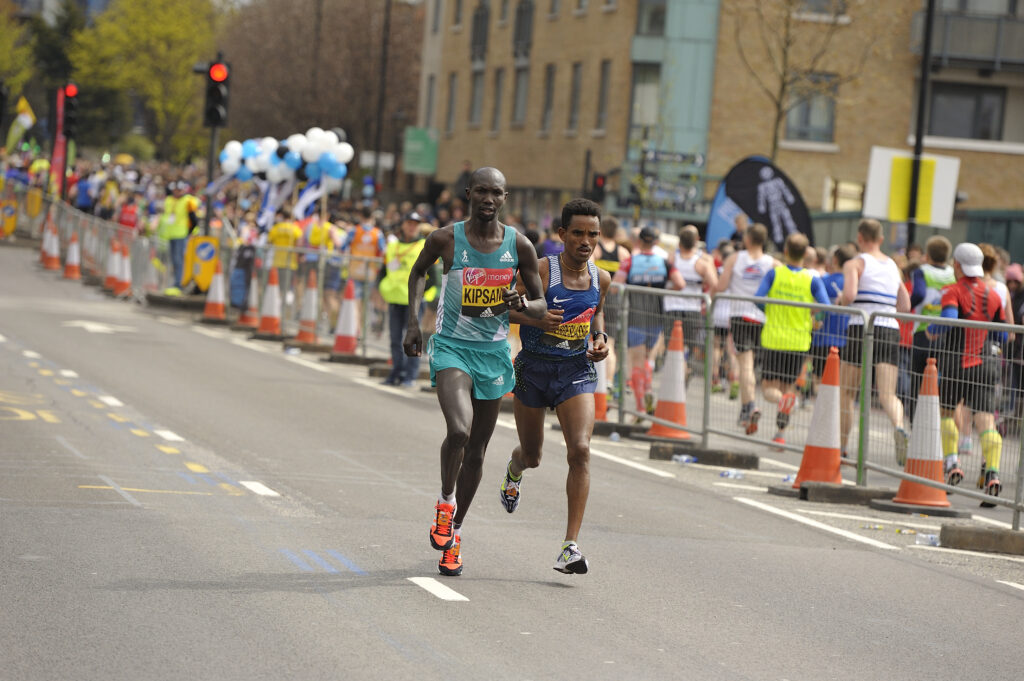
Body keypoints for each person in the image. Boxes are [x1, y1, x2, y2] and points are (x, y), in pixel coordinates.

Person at [404, 167, 545, 577]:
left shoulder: (519, 245)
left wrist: (518, 301)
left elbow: (539, 305)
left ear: (505, 197)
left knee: (479, 451)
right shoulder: (445, 239)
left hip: (494, 354)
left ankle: (456, 533)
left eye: (496, 192)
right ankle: (445, 503)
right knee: (460, 432)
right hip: (452, 348)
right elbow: (416, 273)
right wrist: (414, 323)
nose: (488, 198)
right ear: (468, 193)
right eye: (481, 190)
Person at [500, 198, 611, 574]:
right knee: (533, 456)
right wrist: (537, 318)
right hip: (533, 370)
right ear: (562, 234)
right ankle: (515, 470)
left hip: (575, 371)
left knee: (580, 450)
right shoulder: (543, 271)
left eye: (592, 234)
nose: (586, 241)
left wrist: (600, 339)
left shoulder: (602, 278)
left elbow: (596, 313)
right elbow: (505, 308)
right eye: (577, 233)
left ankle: (570, 546)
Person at [926, 243, 1006, 506]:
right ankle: (992, 472)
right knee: (986, 421)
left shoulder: (952, 290)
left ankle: (952, 464)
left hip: (955, 362)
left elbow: (949, 318)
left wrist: (931, 330)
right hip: (985, 362)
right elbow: (1003, 334)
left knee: (948, 412)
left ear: (957, 265)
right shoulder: (994, 294)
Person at [839, 219, 911, 463]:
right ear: (881, 239)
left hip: (862, 326)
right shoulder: (893, 266)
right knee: (888, 393)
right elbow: (905, 305)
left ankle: (842, 445)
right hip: (889, 327)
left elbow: (849, 295)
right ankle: (899, 426)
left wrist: (839, 302)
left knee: (847, 392)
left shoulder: (855, 263)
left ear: (860, 237)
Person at [754, 233, 831, 446]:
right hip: (799, 341)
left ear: (786, 251)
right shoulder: (812, 279)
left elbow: (758, 300)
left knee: (769, 387)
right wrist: (814, 316)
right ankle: (780, 434)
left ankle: (782, 402)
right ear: (806, 254)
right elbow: (826, 306)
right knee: (789, 387)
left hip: (774, 337)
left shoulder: (774, 274)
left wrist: (768, 309)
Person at [613, 226, 685, 419]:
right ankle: (647, 392)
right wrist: (665, 288)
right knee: (647, 360)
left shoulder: (630, 261)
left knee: (636, 361)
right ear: (655, 242)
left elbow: (615, 287)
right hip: (656, 317)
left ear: (639, 241)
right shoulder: (663, 262)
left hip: (635, 316)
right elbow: (680, 284)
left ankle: (640, 407)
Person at [715, 223, 776, 433]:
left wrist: (711, 294)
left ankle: (750, 406)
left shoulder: (735, 258)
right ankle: (744, 410)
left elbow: (721, 286)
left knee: (745, 366)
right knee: (749, 365)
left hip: (740, 314)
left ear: (748, 239)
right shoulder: (772, 263)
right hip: (761, 317)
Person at [905, 236, 955, 424]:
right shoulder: (952, 273)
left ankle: (914, 422)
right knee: (940, 380)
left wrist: (906, 306)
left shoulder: (921, 272)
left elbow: (918, 294)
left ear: (928, 254)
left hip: (923, 330)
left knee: (917, 379)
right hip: (945, 332)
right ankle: (935, 422)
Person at [377, 212, 428, 387]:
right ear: (403, 225)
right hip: (395, 298)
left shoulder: (424, 245)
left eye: (415, 224)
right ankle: (396, 372)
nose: (412, 226)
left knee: (412, 338)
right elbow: (384, 271)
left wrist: (427, 295)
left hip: (415, 301)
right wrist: (381, 289)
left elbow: (434, 275)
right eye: (409, 223)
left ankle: (410, 375)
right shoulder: (392, 246)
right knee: (394, 338)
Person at [664, 224, 717, 368]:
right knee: (687, 344)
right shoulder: (702, 262)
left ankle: (678, 370)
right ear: (696, 241)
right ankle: (684, 369)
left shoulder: (672, 258)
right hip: (692, 309)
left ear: (679, 241)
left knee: (672, 343)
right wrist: (707, 301)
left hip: (672, 307)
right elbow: (714, 284)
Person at [591, 215, 630, 393]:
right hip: (616, 300)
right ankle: (607, 382)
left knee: (595, 339)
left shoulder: (596, 250)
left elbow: (589, 270)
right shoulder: (623, 253)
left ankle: (597, 380)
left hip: (599, 296)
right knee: (611, 343)